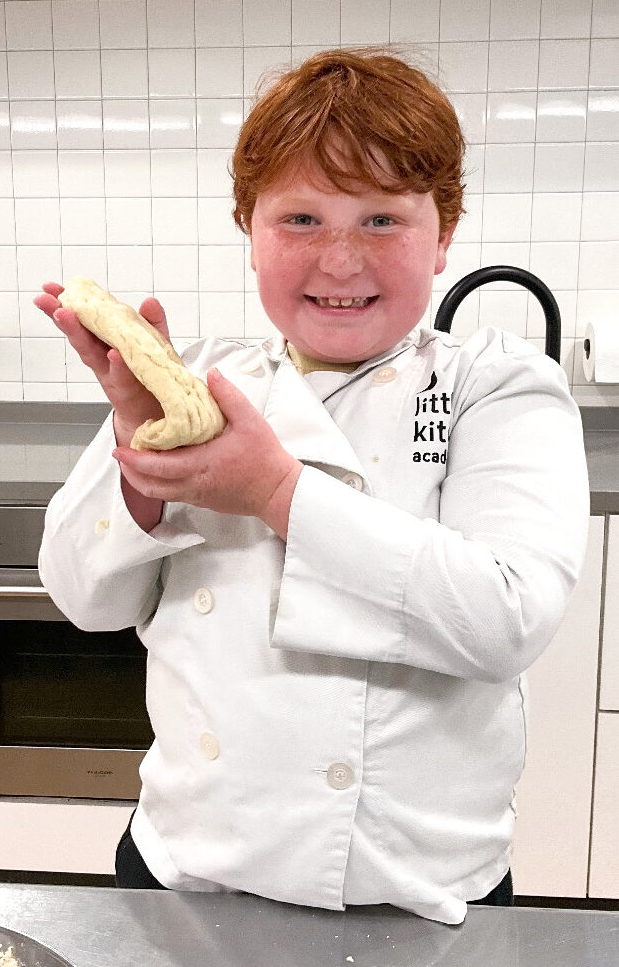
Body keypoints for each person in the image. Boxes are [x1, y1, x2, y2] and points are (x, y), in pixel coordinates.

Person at [34, 47, 590, 925]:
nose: (338, 262)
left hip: (414, 891)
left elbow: (505, 619)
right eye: (299, 219)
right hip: (189, 875)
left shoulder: (499, 384)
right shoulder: (198, 379)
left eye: (380, 220)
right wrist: (136, 462)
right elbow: (81, 599)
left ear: (443, 234)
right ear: (248, 230)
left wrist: (275, 493)